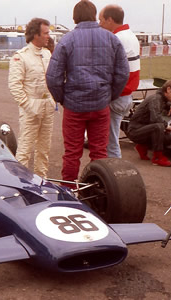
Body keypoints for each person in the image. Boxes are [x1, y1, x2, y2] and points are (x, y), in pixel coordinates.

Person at [46, 0, 129, 186]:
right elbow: (123, 73)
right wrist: (110, 95)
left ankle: (68, 190)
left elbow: (53, 77)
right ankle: (99, 188)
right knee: (100, 151)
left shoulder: (67, 40)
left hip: (74, 106)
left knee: (72, 152)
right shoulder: (111, 39)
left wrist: (62, 98)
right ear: (94, 15)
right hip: (100, 105)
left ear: (75, 17)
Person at [8, 18, 55, 178]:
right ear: (35, 34)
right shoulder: (21, 56)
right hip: (30, 109)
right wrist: (27, 105)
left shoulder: (47, 53)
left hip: (47, 106)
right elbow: (14, 85)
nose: (48, 36)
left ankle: (42, 181)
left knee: (44, 150)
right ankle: (20, 183)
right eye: (46, 33)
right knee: (25, 149)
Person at [99, 5, 141, 158]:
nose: (99, 24)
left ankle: (114, 174)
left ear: (110, 20)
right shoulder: (130, 35)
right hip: (127, 95)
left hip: (118, 96)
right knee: (112, 139)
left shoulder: (117, 38)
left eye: (101, 20)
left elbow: (107, 69)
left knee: (111, 143)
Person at [127, 80, 171, 167]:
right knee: (158, 126)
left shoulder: (162, 98)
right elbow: (155, 118)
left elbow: (167, 102)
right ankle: (157, 158)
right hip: (134, 130)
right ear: (169, 89)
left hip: (144, 128)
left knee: (169, 138)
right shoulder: (155, 99)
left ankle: (142, 146)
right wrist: (167, 126)